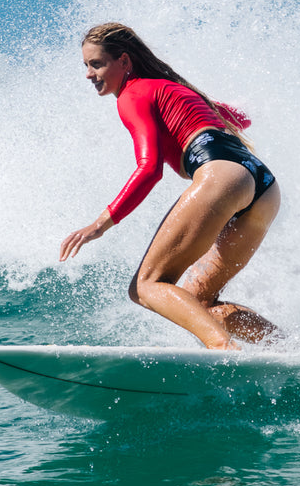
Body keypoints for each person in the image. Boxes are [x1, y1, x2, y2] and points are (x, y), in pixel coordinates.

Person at [59, 23, 281, 350]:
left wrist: (100, 224)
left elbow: (149, 169)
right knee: (198, 304)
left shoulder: (133, 94)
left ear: (124, 61)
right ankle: (287, 348)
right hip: (263, 187)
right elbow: (239, 118)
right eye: (86, 66)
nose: (89, 74)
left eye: (96, 64)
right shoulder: (178, 89)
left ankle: (223, 350)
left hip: (221, 177)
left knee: (146, 286)